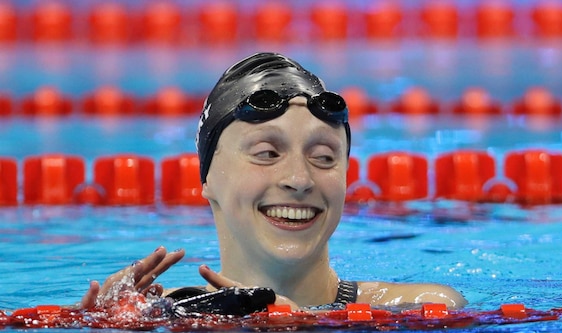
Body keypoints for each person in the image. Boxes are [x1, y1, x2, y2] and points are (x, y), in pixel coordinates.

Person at [79, 52, 466, 313]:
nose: (299, 179)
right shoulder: (165, 317)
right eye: (267, 153)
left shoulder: (423, 307)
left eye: (324, 157)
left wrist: (303, 326)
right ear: (208, 177)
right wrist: (95, 332)